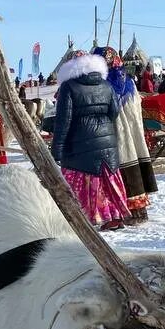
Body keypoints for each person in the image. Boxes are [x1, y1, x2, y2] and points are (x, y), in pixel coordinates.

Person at [50, 53, 129, 230]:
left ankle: (82, 218)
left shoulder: (68, 87)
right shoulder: (106, 85)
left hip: (80, 144)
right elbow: (114, 112)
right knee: (105, 180)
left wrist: (57, 150)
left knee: (81, 179)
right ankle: (112, 216)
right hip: (106, 140)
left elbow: (63, 121)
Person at [102, 51, 157, 224]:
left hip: (117, 133)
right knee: (134, 165)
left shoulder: (106, 85)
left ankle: (123, 210)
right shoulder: (129, 81)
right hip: (134, 132)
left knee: (121, 168)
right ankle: (139, 211)